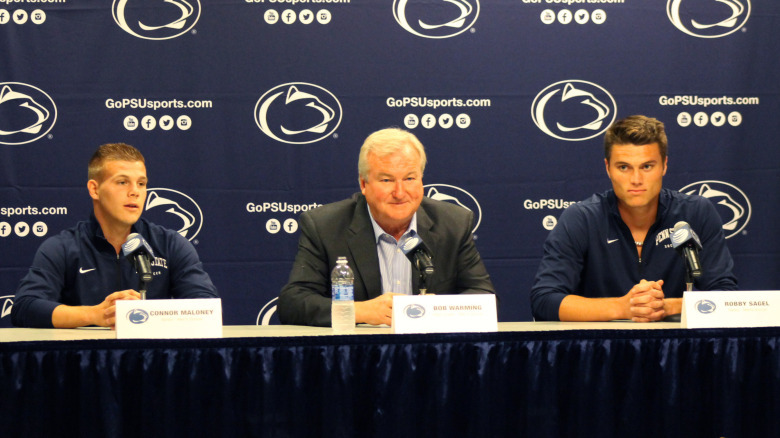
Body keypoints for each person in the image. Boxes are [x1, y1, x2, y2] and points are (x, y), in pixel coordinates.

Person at [278, 127, 495, 327]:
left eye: (409, 178)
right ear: (364, 184)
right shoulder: (325, 226)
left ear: (421, 180)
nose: (400, 193)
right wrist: (359, 311)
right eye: (386, 180)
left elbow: (484, 297)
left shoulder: (453, 223)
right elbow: (293, 303)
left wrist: (437, 309)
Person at [530, 115, 737, 322]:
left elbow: (727, 299)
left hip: (677, 349)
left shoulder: (697, 213)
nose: (636, 180)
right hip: (599, 349)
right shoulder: (582, 218)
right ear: (607, 168)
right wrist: (624, 307)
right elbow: (544, 301)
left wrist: (665, 306)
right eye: (624, 167)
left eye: (647, 166)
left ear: (664, 165)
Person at [12, 143, 218, 328]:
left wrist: (147, 315)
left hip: (153, 362)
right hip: (85, 363)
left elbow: (207, 307)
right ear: (94, 189)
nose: (135, 192)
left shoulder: (170, 244)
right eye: (122, 182)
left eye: (141, 183)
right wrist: (95, 314)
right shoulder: (63, 247)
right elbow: (25, 308)